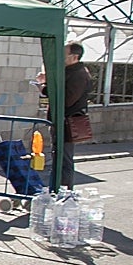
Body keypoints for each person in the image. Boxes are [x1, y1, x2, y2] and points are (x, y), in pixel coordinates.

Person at [37, 41, 92, 188]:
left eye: (63, 55)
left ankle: (64, 190)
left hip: (68, 122)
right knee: (58, 156)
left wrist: (45, 89)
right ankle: (58, 188)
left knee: (64, 158)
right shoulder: (69, 71)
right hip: (61, 120)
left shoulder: (79, 75)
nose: (60, 58)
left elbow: (66, 99)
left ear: (74, 57)